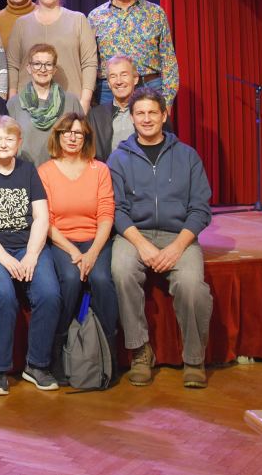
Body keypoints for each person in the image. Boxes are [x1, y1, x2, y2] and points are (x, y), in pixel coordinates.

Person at [109, 88, 213, 388]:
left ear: (164, 115)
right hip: (134, 234)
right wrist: (142, 245)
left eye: (153, 112)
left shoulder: (188, 155)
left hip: (178, 235)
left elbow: (200, 208)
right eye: (140, 113)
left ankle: (194, 358)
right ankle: (140, 351)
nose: (146, 119)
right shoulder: (119, 158)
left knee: (192, 285)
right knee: (121, 270)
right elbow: (116, 210)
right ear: (132, 118)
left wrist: (178, 247)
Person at [0, 115, 61, 395]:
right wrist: (4, 257)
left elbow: (41, 217)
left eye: (10, 139)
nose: (3, 144)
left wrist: (31, 254)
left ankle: (37, 365)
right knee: (3, 295)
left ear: (19, 142)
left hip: (26, 245)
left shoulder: (28, 170)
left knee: (49, 294)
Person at [38, 112, 116, 386]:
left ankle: (108, 354)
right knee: (70, 279)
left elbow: (106, 214)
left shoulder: (100, 170)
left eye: (78, 133)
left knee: (102, 279)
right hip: (62, 240)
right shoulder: (45, 171)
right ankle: (58, 352)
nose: (72, 137)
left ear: (86, 138)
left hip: (96, 239)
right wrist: (73, 251)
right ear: (58, 136)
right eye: (67, 132)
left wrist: (92, 253)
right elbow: (46, 221)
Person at [89, 0, 179, 107]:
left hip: (149, 87)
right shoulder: (95, 17)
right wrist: (91, 99)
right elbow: (89, 62)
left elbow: (168, 60)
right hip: (108, 91)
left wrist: (167, 101)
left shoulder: (155, 13)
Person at [7, 0, 97, 115]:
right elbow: (13, 64)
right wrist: (12, 102)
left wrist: (85, 101)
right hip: (28, 106)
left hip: (68, 104)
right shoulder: (21, 24)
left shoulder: (78, 20)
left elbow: (89, 63)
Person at [7, 43, 80, 165]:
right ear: (28, 68)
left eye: (48, 64)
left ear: (54, 69)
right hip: (25, 171)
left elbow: (82, 140)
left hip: (62, 170)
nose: (42, 69)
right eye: (37, 64)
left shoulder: (71, 101)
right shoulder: (14, 103)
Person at [87, 54, 149, 161]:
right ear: (109, 83)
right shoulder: (95, 116)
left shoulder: (151, 113)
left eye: (124, 75)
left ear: (135, 79)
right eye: (113, 76)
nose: (119, 81)